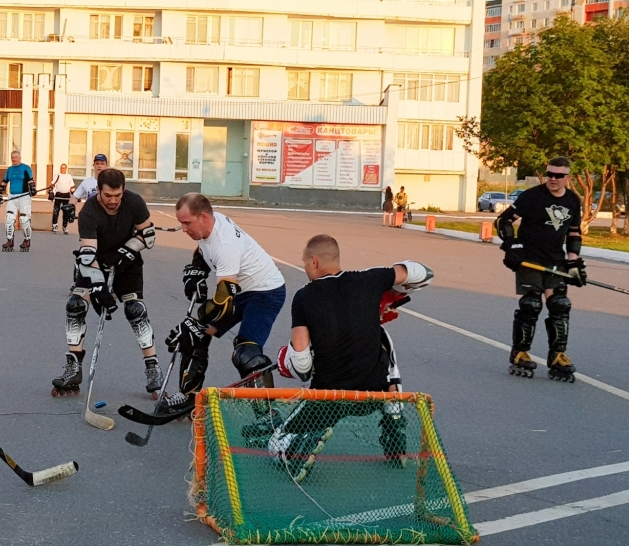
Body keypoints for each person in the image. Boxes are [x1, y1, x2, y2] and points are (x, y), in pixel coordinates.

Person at [272, 234, 433, 481]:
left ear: (314, 262)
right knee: (383, 341)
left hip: (329, 399)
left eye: (305, 263)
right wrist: (389, 295)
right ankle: (394, 415)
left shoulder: (304, 297)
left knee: (275, 444)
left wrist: (285, 359)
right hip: (372, 394)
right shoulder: (370, 279)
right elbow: (422, 273)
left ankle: (299, 446)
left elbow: (302, 365)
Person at [159, 194, 287, 418]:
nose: (183, 229)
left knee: (246, 352)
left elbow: (223, 300)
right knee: (195, 335)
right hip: (240, 289)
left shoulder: (225, 244)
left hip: (265, 292)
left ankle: (268, 416)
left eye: (186, 223)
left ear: (204, 217)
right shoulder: (207, 226)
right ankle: (190, 397)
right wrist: (197, 269)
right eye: (181, 223)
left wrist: (195, 320)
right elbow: (202, 248)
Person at [52, 168, 161, 397]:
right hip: (96, 262)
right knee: (75, 305)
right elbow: (88, 253)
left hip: (128, 263)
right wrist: (99, 286)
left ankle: (153, 368)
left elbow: (148, 235)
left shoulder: (134, 202)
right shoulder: (89, 210)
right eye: (108, 195)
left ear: (123, 191)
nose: (113, 201)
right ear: (98, 190)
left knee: (135, 310)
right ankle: (74, 368)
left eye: (117, 195)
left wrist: (128, 249)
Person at [495, 156, 584, 382]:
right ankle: (520, 353)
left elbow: (574, 232)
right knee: (531, 304)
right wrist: (512, 246)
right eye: (549, 174)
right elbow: (504, 221)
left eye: (558, 176)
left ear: (568, 178)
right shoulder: (532, 197)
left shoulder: (573, 200)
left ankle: (557, 355)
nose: (553, 179)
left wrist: (573, 262)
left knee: (560, 305)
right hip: (530, 260)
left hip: (555, 260)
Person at [0, 150, 35, 252]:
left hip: (24, 196)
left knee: (24, 220)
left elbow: (31, 180)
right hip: (12, 196)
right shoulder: (9, 170)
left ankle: (26, 240)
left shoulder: (26, 168)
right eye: (12, 157)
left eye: (16, 157)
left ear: (20, 158)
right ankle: (10, 241)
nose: (14, 159)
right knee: (9, 218)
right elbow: (4, 182)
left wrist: (32, 188)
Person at [49, 163, 76, 234]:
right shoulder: (57, 175)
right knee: (56, 211)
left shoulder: (69, 176)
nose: (62, 169)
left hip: (66, 196)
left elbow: (72, 187)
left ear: (66, 169)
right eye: (61, 168)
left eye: (63, 168)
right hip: (58, 195)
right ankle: (54, 225)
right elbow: (52, 185)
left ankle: (65, 226)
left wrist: (76, 195)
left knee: (66, 212)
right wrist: (51, 193)